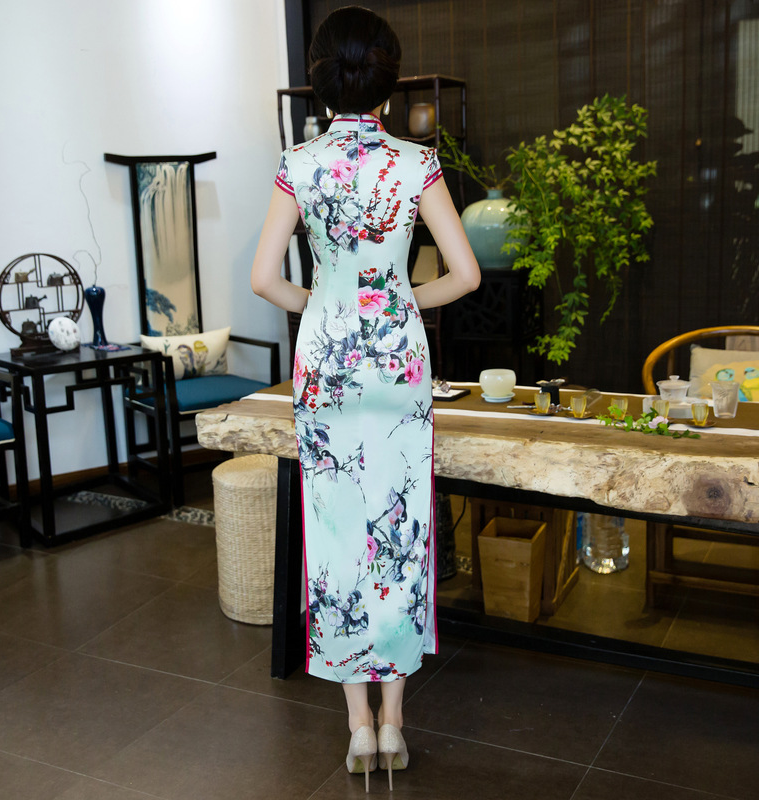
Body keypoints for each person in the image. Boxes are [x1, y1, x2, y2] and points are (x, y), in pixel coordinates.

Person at [251, 6, 480, 792]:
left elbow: (264, 278)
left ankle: (357, 727)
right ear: (387, 82)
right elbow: (464, 275)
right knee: (400, 531)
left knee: (338, 530)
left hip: (326, 362)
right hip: (396, 360)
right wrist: (402, 300)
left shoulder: (298, 162)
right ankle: (396, 724)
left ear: (321, 83)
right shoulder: (417, 163)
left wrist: (321, 305)